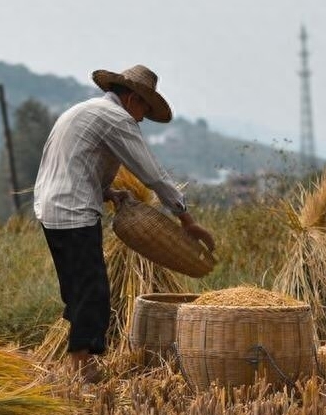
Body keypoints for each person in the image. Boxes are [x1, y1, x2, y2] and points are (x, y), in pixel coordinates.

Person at [33, 64, 215, 382]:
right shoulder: (116, 118)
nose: (142, 117)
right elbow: (153, 174)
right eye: (144, 107)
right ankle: (79, 368)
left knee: (78, 290)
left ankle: (81, 363)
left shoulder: (84, 110)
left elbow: (75, 163)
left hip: (51, 208)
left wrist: (107, 191)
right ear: (131, 98)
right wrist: (186, 219)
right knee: (93, 291)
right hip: (74, 212)